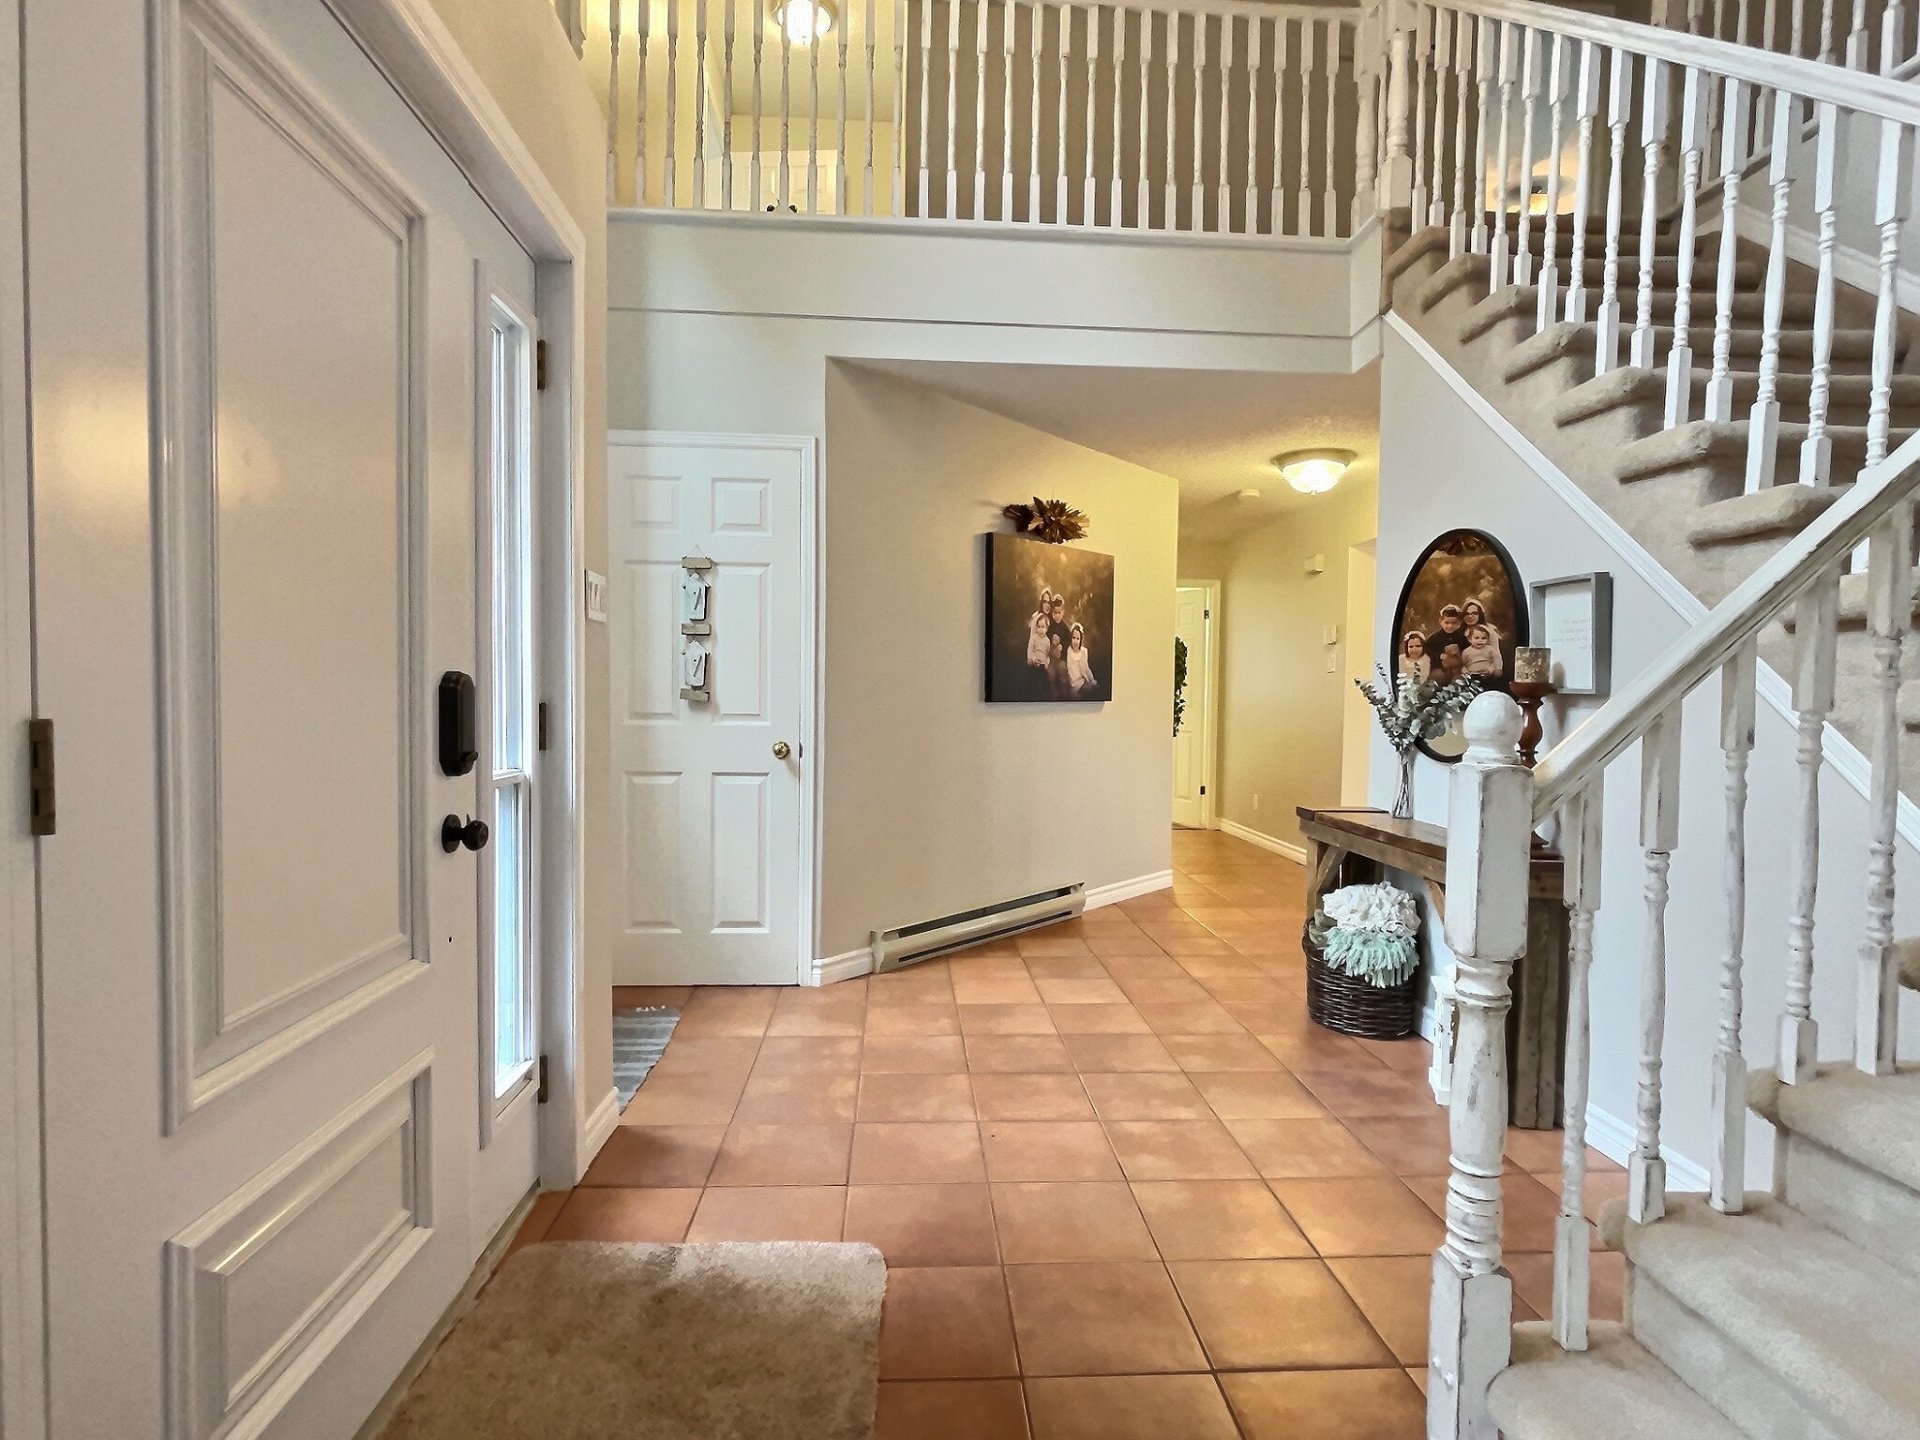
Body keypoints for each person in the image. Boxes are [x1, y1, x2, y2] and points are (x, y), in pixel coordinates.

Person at [1066, 623, 1098, 696]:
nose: (1075, 641)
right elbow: (1069, 670)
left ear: (1081, 640)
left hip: (1083, 680)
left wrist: (1091, 680)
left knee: (1095, 687)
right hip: (1074, 682)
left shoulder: (1084, 651)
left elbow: (1086, 668)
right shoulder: (1069, 651)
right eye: (1073, 638)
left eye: (1078, 639)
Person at [1026, 588, 1054, 670]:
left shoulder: (1052, 619)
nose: (1047, 605)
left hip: (1047, 657)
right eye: (1044, 602)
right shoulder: (1036, 617)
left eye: (1049, 602)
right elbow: (1031, 640)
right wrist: (1032, 658)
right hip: (1035, 655)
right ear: (1041, 603)